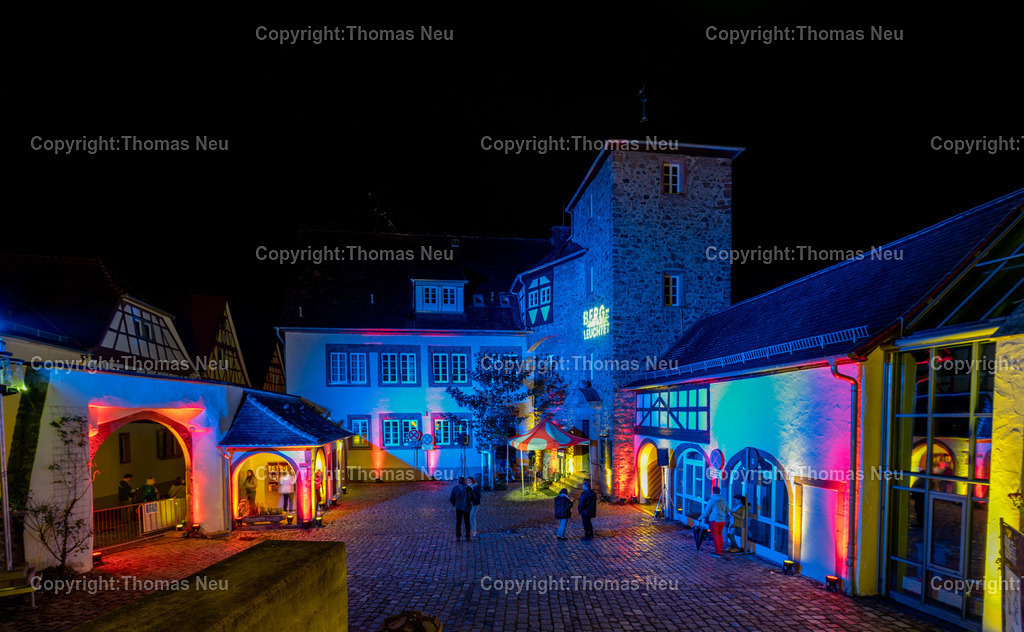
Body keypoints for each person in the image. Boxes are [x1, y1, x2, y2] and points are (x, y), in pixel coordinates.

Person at [698, 485, 729, 558]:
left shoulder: (711, 500)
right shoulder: (724, 500)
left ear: (713, 491)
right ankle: (720, 549)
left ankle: (717, 552)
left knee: (715, 536)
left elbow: (706, 511)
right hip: (722, 520)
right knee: (719, 535)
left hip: (714, 520)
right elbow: (727, 510)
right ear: (719, 492)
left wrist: (700, 517)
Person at [449, 477, 473, 541]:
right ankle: (468, 537)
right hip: (467, 507)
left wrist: (455, 504)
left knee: (458, 522)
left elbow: (451, 498)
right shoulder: (469, 488)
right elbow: (473, 497)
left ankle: (458, 536)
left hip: (458, 507)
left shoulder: (455, 489)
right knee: (467, 522)